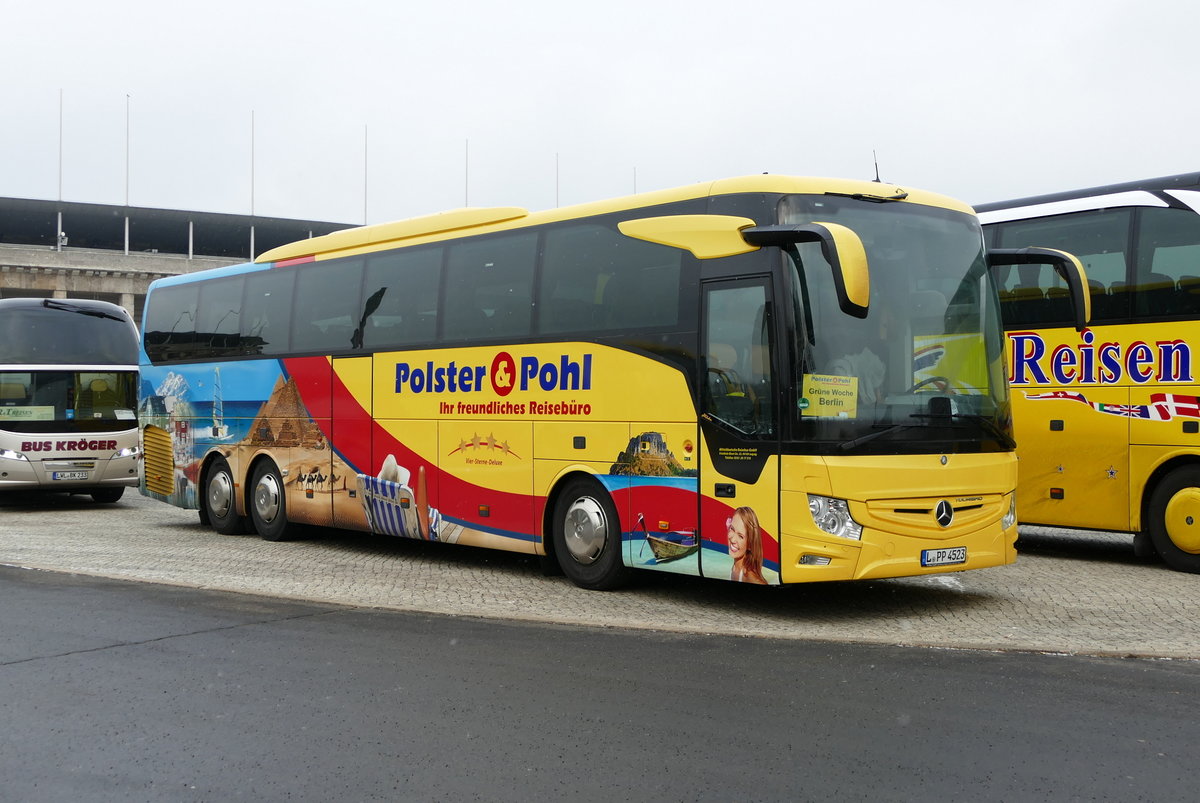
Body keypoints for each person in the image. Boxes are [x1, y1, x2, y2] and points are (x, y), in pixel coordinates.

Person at [727, 506, 767, 584]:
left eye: (740, 536)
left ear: (750, 545)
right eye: (732, 529)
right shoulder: (735, 567)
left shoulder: (751, 578)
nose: (733, 539)